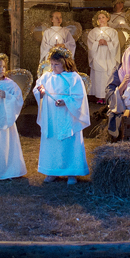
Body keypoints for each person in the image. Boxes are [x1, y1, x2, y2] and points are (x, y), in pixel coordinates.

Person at [32, 48, 90, 185]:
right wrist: (40, 92)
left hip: (67, 115)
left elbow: (78, 96)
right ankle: (52, 170)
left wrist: (66, 102)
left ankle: (71, 172)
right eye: (51, 64)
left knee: (68, 142)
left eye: (56, 64)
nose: (53, 67)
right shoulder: (46, 77)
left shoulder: (74, 78)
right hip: (51, 116)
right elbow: (37, 89)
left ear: (65, 63)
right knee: (52, 141)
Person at [86, 10, 120, 104]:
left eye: (103, 17)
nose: (101, 20)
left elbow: (116, 44)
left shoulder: (113, 31)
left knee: (107, 76)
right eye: (99, 18)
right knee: (99, 77)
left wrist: (107, 43)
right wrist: (97, 43)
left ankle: (108, 96)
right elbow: (90, 44)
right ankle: (99, 97)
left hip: (108, 56)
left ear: (107, 18)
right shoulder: (93, 32)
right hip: (98, 56)